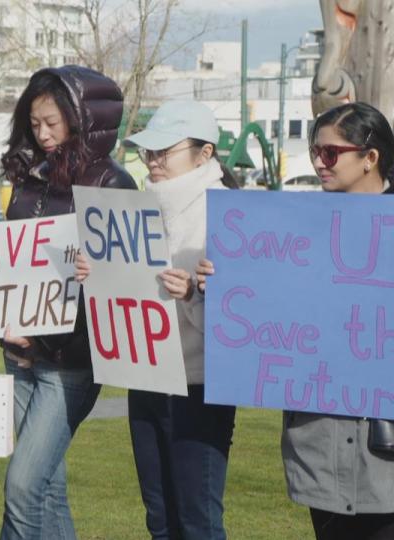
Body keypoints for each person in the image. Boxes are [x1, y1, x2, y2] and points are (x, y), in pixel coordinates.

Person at [198, 101, 394, 540]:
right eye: (314, 153)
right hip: (319, 444)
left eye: (330, 153)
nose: (320, 164)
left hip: (384, 453)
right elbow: (267, 311)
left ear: (370, 157)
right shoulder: (293, 229)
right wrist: (224, 282)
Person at [0, 65, 136, 540]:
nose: (42, 134)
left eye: (52, 123)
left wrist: (94, 275)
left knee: (23, 485)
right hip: (19, 352)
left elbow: (126, 285)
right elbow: (11, 262)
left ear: (78, 118)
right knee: (48, 486)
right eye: (35, 123)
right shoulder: (29, 177)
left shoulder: (111, 183)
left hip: (70, 361)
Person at [121, 100, 238, 540]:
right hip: (146, 374)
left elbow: (246, 323)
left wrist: (192, 295)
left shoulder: (227, 212)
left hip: (199, 385)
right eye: (148, 152)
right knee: (160, 519)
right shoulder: (140, 207)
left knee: (197, 519)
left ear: (204, 153)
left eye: (163, 151)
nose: (153, 161)